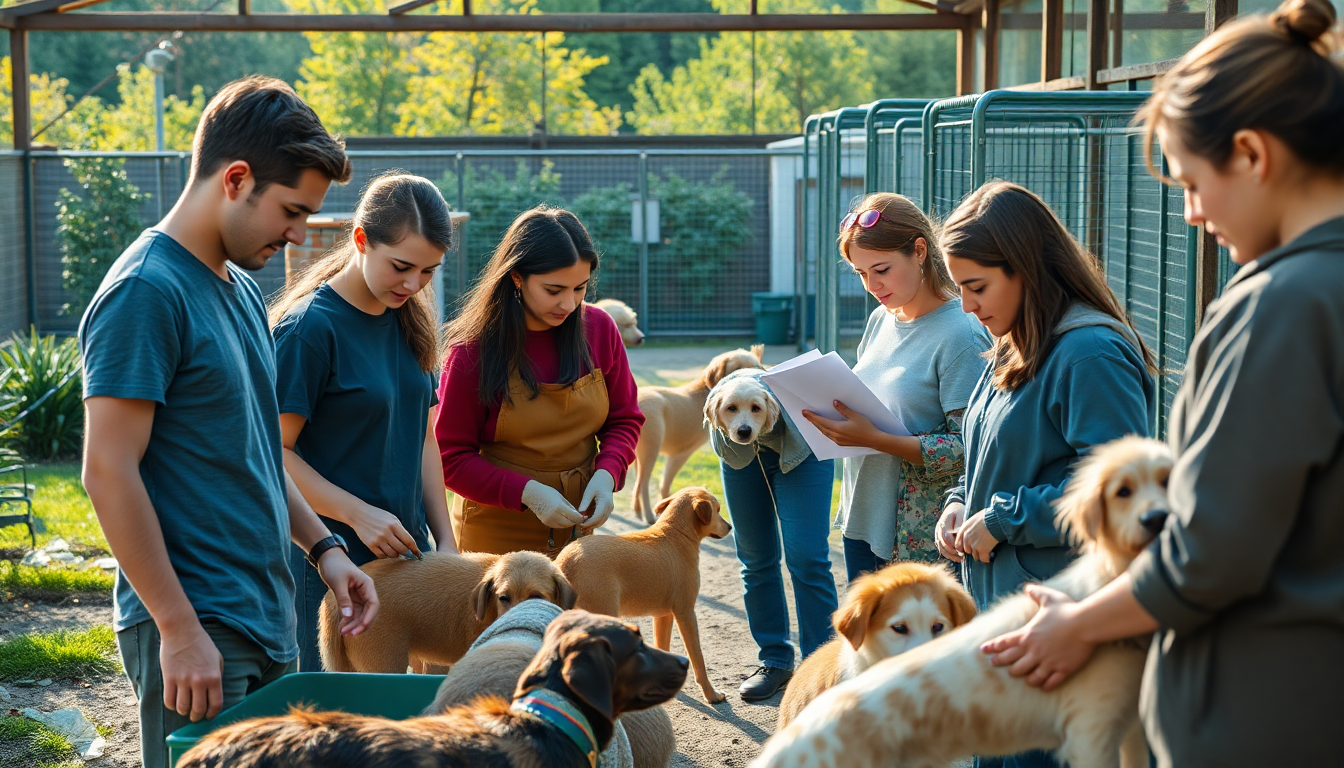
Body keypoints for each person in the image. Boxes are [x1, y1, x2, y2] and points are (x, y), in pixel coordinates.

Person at [980, 2, 1344, 765]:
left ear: (1250, 153)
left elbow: (1213, 549)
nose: (1191, 212)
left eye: (1189, 182)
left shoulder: (1283, 303)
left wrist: (1076, 624)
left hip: (1264, 719)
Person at [78, 77, 378, 768]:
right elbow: (107, 471)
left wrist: (325, 549)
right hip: (199, 627)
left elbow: (255, 452)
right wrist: (178, 628)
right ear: (236, 178)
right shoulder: (146, 291)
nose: (301, 234)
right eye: (292, 211)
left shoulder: (239, 286)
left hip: (267, 619)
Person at [934, 181, 1157, 768]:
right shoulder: (1012, 340)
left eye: (976, 287)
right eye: (959, 289)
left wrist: (1005, 520)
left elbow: (1122, 495)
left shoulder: (1090, 354)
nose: (966, 306)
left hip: (1060, 631)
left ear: (1027, 270)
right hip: (1004, 619)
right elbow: (987, 453)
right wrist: (960, 500)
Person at [268, 172, 458, 672]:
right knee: (335, 725)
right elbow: (274, 455)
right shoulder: (310, 329)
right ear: (360, 239)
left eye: (429, 272)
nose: (414, 284)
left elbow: (423, 436)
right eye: (401, 266)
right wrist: (357, 514)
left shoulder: (410, 320)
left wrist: (447, 541)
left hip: (406, 567)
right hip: (326, 563)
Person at [435, 206, 643, 556]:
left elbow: (625, 419)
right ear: (516, 276)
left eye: (580, 288)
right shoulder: (471, 351)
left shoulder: (600, 328)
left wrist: (607, 474)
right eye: (553, 289)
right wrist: (528, 492)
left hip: (577, 536)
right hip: (493, 540)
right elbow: (449, 458)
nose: (569, 303)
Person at [802, 193, 990, 581]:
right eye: (860, 273)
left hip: (919, 539)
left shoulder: (962, 335)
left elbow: (972, 448)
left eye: (882, 269)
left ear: (919, 251)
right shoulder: (881, 319)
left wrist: (875, 438)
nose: (872, 285)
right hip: (862, 521)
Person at [709, 368, 840, 702]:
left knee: (807, 557)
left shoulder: (785, 408)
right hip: (743, 459)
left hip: (803, 446)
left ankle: (821, 666)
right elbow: (734, 423)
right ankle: (775, 661)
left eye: (754, 409)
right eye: (732, 411)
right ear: (716, 414)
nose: (743, 420)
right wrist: (740, 427)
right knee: (754, 558)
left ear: (768, 408)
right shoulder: (719, 421)